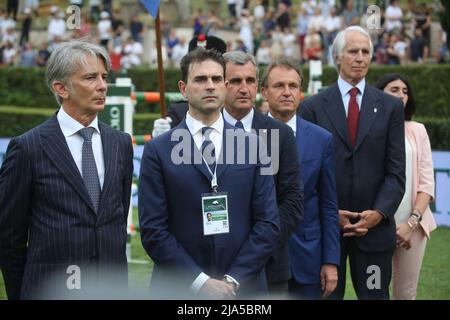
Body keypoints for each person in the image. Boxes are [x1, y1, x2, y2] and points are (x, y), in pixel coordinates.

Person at [138, 48, 280, 299]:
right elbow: (153, 230)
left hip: (243, 287)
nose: (210, 86)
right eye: (201, 79)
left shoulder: (254, 146)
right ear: (183, 88)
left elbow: (268, 223)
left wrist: (233, 279)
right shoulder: (158, 150)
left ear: (225, 86)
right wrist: (200, 282)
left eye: (216, 79)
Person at [0, 40, 134, 299]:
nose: (102, 86)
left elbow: (116, 218)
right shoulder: (28, 148)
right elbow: (8, 237)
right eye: (90, 77)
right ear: (61, 88)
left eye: (104, 77)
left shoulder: (120, 143)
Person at [299, 26, 406, 300]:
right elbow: (307, 174)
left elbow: (395, 173)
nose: (360, 57)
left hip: (374, 233)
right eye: (353, 51)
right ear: (337, 57)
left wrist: (378, 214)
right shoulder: (312, 107)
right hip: (326, 233)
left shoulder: (390, 107)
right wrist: (331, 214)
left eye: (366, 52)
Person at [222, 51, 303, 297]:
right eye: (235, 81)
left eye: (250, 80)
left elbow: (292, 203)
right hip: (215, 266)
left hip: (269, 267)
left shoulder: (281, 135)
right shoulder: (201, 134)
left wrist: (256, 247)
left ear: (258, 85)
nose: (244, 88)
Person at [261, 58, 340, 299]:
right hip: (261, 261)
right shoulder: (246, 137)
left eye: (293, 86)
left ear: (301, 91)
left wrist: (330, 260)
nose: (287, 92)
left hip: (308, 259)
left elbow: (328, 205)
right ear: (264, 91)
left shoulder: (321, 139)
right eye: (279, 86)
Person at [374, 73, 436, 300]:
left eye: (405, 91)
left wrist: (411, 223)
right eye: (394, 90)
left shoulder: (418, 130)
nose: (401, 95)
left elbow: (427, 184)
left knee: (405, 294)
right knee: (374, 289)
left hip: (414, 225)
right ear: (378, 94)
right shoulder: (369, 129)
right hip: (377, 226)